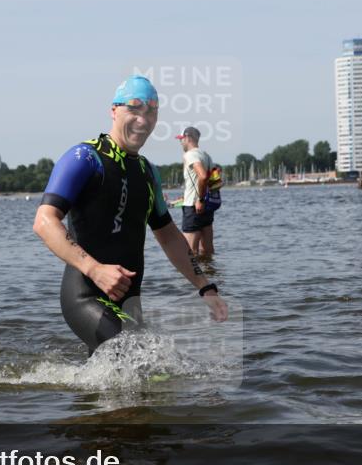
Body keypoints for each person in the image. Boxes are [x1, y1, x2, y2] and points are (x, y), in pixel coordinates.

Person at [33, 75, 228, 355]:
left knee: (135, 378)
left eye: (152, 111)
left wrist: (205, 287)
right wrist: (95, 269)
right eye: (134, 108)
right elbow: (44, 222)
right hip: (85, 294)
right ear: (114, 110)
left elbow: (170, 235)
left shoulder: (148, 173)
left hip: (129, 303)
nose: (143, 119)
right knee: (144, 360)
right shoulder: (85, 159)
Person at [176, 126, 219, 256]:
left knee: (189, 252)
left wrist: (198, 199)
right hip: (206, 206)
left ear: (188, 138)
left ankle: (190, 277)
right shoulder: (206, 155)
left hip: (194, 206)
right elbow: (216, 182)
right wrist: (203, 197)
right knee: (207, 249)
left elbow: (203, 176)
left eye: (181, 139)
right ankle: (209, 274)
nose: (181, 142)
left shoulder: (190, 155)